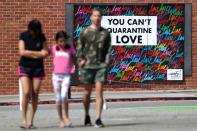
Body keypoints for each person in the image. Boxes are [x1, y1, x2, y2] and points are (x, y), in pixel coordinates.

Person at [76, 8, 111, 128]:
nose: (97, 18)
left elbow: (108, 50)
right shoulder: (84, 32)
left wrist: (106, 63)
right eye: (95, 16)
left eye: (99, 16)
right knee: (86, 93)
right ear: (91, 17)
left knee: (99, 92)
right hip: (87, 66)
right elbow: (79, 47)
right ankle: (86, 115)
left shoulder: (105, 33)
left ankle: (98, 118)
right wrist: (80, 60)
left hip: (100, 66)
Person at [18, 19, 48, 129]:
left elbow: (45, 53)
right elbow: (22, 52)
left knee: (35, 93)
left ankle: (31, 121)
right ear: (30, 29)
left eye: (37, 31)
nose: (35, 33)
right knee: (26, 92)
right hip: (24, 67)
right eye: (33, 31)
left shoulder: (42, 36)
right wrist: (37, 54)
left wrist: (29, 53)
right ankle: (23, 120)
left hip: (38, 68)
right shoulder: (23, 35)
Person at [49, 31, 75, 128]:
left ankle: (67, 117)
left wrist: (73, 67)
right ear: (56, 41)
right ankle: (61, 119)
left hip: (66, 76)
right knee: (58, 98)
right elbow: (44, 52)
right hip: (56, 76)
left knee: (64, 96)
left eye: (64, 41)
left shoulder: (70, 48)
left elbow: (74, 58)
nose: (62, 43)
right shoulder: (53, 48)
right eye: (60, 41)